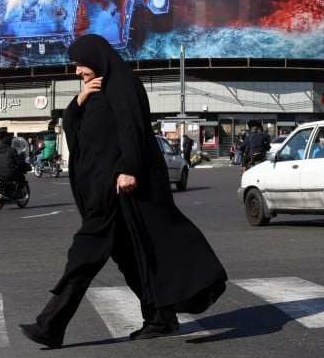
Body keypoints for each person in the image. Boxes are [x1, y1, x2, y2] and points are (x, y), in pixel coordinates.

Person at [20, 34, 227, 349]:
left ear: (96, 58)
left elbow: (133, 128)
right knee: (131, 259)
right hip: (101, 192)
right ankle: (161, 318)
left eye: (80, 64)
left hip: (114, 191)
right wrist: (79, 100)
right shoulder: (95, 94)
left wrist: (128, 167)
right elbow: (74, 132)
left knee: (84, 256)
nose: (77, 72)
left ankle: (50, 325)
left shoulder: (124, 85)